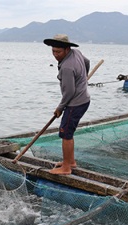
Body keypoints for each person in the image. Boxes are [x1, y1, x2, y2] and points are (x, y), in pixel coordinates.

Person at [43, 34, 90, 175]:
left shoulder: (67, 68)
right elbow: (87, 62)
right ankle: (70, 162)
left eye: (58, 52)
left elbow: (69, 92)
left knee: (66, 134)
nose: (55, 55)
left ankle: (66, 168)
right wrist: (83, 79)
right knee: (69, 131)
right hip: (83, 100)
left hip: (75, 103)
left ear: (67, 49)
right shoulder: (76, 53)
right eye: (53, 51)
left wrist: (60, 108)